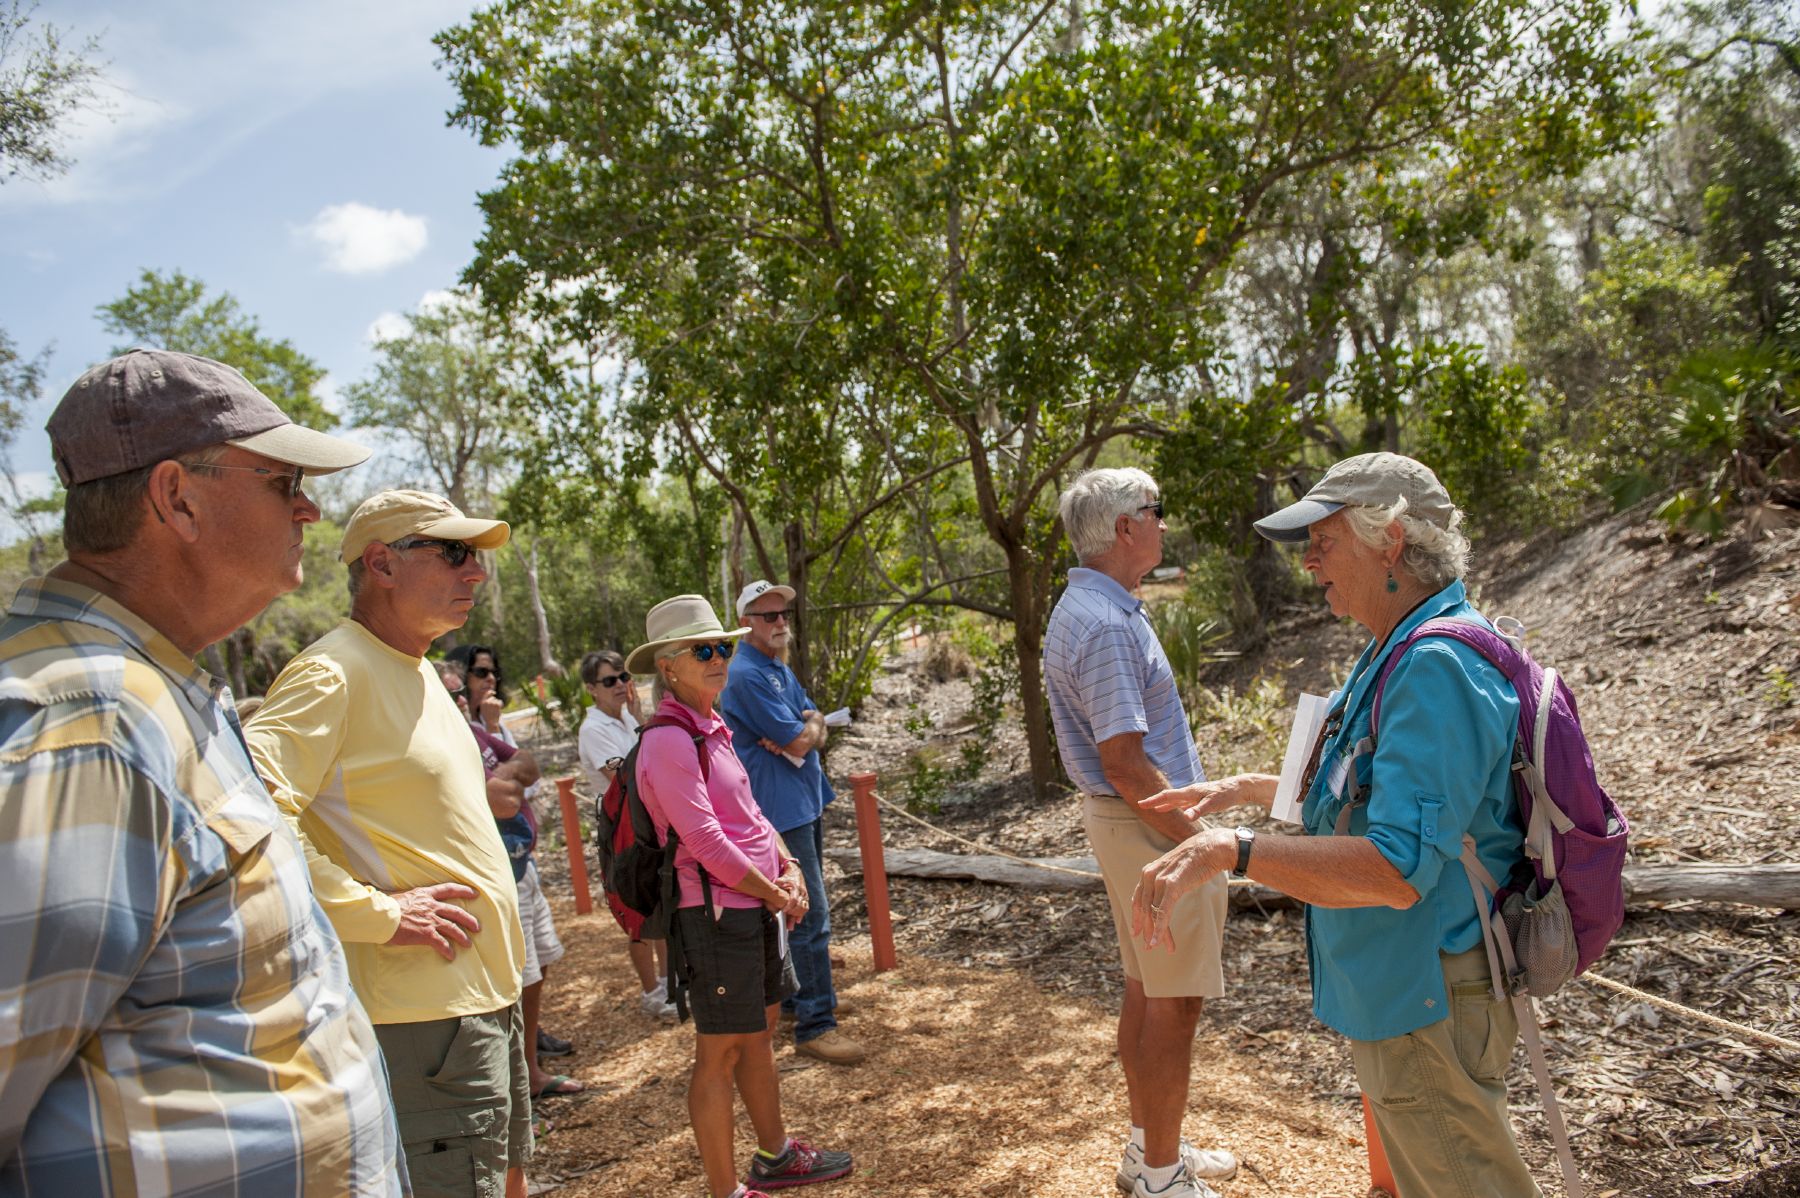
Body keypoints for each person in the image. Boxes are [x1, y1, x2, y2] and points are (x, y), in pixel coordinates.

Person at [0, 349, 405, 1194]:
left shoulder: (149, 691)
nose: (309, 506)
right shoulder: (86, 724)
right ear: (177, 497)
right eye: (281, 480)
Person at [1132, 452, 1543, 1198]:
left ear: (1389, 538)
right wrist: (1246, 789)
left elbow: (1394, 866)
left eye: (1323, 539)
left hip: (1427, 991)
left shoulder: (1434, 665)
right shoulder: (1401, 646)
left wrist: (1237, 849)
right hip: (1409, 988)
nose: (1310, 561)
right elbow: (1371, 786)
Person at [246, 488, 533, 1198]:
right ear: (381, 563)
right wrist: (376, 913)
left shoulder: (418, 671)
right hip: (420, 1019)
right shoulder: (330, 671)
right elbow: (243, 816)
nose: (477, 573)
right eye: (456, 552)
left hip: (480, 1000)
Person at [1041, 468, 1238, 1198]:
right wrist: (1201, 837)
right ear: (1127, 527)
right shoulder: (1105, 625)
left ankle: (1149, 1152)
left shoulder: (1093, 608)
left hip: (1132, 823)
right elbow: (1125, 763)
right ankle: (1161, 1177)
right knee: (1174, 1003)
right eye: (1156, 511)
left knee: (1146, 989)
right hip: (1145, 822)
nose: (1163, 522)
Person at [627, 594, 853, 1198]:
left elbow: (751, 815)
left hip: (753, 907)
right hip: (714, 915)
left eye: (722, 646)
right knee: (720, 1051)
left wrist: (789, 868)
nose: (718, 658)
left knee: (758, 1034)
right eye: (703, 650)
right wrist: (777, 894)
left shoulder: (713, 726)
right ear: (668, 666)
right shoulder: (669, 741)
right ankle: (728, 1190)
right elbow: (703, 842)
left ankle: (774, 1157)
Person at [720, 579, 864, 1066]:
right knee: (809, 914)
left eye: (782, 614)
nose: (780, 623)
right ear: (746, 622)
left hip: (802, 799)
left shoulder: (774, 666)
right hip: (779, 809)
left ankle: (807, 995)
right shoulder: (746, 675)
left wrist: (809, 724)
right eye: (768, 616)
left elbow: (809, 724)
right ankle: (815, 1024)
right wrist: (805, 729)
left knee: (800, 912)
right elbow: (802, 739)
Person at [439, 659, 576, 1103]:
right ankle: (513, 1091)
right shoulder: (435, 747)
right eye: (453, 693)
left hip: (524, 868)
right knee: (510, 981)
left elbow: (529, 766)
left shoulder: (474, 734)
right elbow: (495, 799)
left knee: (538, 968)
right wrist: (496, 787)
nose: (463, 700)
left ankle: (530, 1073)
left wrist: (502, 778)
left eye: (464, 692)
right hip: (487, 879)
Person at [576, 648, 676, 1018]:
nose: (619, 685)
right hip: (620, 833)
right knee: (636, 911)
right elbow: (625, 777)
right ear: (592, 689)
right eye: (609, 681)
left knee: (659, 903)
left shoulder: (622, 719)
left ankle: (669, 983)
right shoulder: (593, 730)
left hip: (645, 824)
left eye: (622, 677)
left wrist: (637, 719)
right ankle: (651, 991)